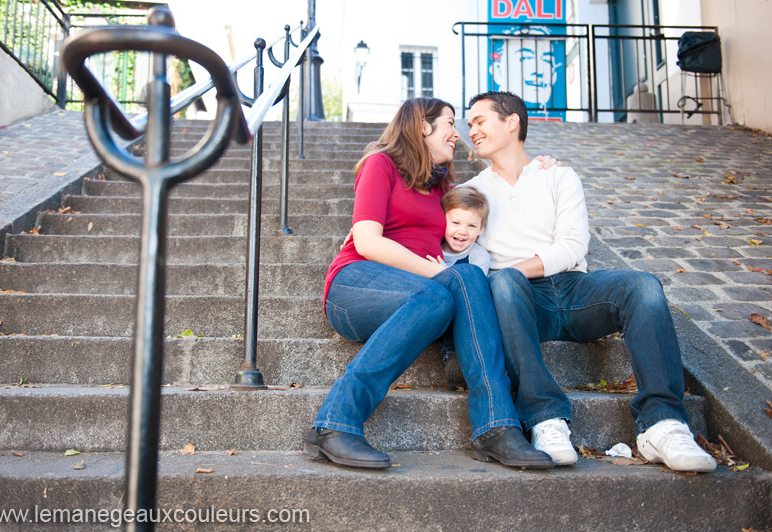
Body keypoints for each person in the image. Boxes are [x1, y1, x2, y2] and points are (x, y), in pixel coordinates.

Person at [462, 90, 717, 473]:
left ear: (511, 121)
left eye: (479, 120)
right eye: (468, 125)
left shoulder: (559, 175)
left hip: (576, 289)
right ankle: (545, 418)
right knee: (504, 284)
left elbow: (573, 245)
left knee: (643, 285)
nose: (472, 130)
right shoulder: (472, 193)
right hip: (523, 302)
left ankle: (662, 423)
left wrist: (513, 267)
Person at [303, 97, 553, 470]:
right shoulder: (380, 165)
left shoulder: (442, 188)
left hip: (422, 295)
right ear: (423, 126)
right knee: (443, 291)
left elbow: (480, 212)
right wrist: (437, 273)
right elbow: (369, 242)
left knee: (455, 284)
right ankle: (333, 423)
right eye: (451, 123)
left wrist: (539, 170)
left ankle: (496, 427)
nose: (459, 134)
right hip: (355, 285)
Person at [434, 186, 491, 389]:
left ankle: (456, 358)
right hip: (434, 310)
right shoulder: (431, 246)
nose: (462, 231)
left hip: (461, 317)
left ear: (481, 229)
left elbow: (474, 291)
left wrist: (439, 269)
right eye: (455, 222)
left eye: (471, 226)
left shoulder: (478, 256)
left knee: (464, 302)